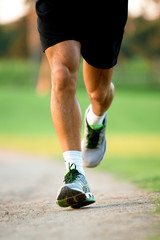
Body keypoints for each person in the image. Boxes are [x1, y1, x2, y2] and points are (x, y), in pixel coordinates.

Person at [35, 1, 128, 208]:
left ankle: (95, 119)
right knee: (61, 75)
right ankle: (74, 172)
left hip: (105, 8)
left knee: (98, 93)